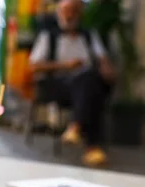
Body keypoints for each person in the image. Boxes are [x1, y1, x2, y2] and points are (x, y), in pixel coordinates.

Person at [29, 0, 114, 167]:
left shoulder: (89, 35)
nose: (69, 15)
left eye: (74, 11)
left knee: (89, 81)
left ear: (79, 14)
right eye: (66, 11)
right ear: (59, 13)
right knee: (89, 85)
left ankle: (76, 127)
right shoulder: (49, 36)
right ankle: (92, 146)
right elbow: (33, 66)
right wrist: (64, 66)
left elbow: (103, 59)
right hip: (57, 84)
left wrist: (107, 69)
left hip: (86, 85)